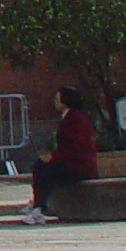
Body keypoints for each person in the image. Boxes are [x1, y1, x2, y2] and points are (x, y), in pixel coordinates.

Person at [22, 87, 97, 224]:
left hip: (80, 167)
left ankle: (38, 207)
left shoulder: (75, 119)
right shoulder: (69, 118)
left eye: (58, 98)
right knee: (41, 167)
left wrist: (54, 157)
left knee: (45, 170)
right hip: (72, 163)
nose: (55, 101)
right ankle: (38, 206)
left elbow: (76, 147)